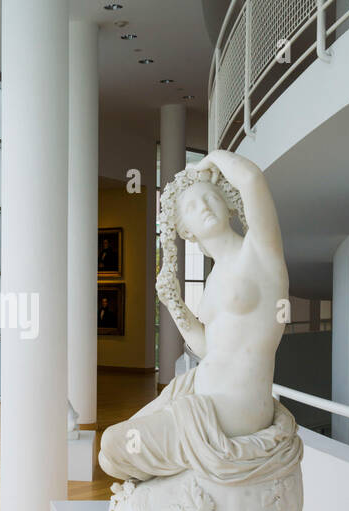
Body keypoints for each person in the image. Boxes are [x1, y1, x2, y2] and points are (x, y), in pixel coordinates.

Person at [99, 151, 302, 487]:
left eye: (210, 198)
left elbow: (252, 180)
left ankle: (183, 487)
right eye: (192, 207)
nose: (204, 207)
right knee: (109, 452)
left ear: (227, 203)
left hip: (234, 409)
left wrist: (212, 158)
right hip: (199, 390)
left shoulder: (260, 251)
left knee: (113, 446)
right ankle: (174, 489)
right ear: (186, 231)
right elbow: (210, 348)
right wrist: (174, 304)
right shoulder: (213, 279)